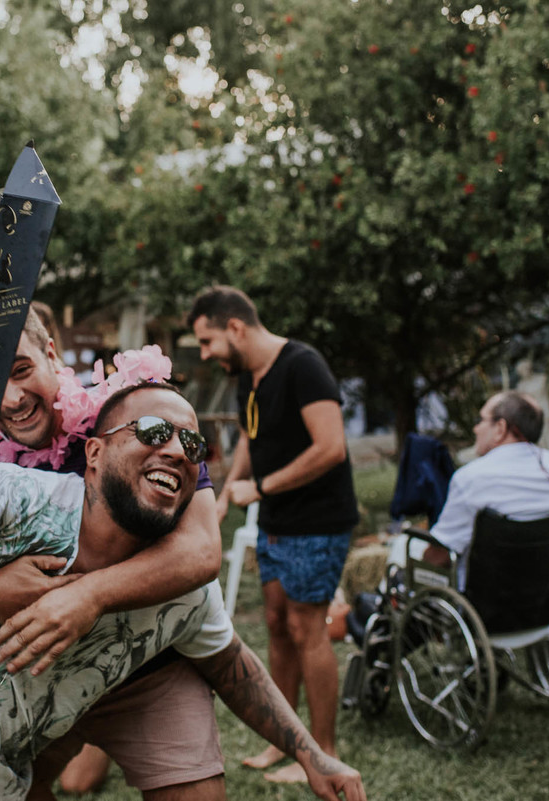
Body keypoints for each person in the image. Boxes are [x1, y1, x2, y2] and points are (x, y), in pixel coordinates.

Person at [0, 379, 364, 801]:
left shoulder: (185, 588)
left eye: (191, 441)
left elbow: (231, 667)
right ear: (94, 456)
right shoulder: (16, 498)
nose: (176, 450)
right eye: (152, 431)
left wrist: (311, 753)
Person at [0, 315, 228, 798]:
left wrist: (88, 598)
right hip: (38, 670)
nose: (10, 398)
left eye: (20, 370)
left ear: (52, 354)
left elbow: (201, 550)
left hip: (144, 664)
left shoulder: (128, 420)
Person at [188, 285, 358, 783]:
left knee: (309, 629)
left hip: (318, 522)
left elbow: (331, 449)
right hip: (277, 522)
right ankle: (283, 743)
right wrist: (224, 494)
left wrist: (259, 488)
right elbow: (249, 434)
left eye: (207, 342)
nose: (205, 354)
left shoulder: (304, 365)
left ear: (235, 328)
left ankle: (323, 753)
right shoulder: (249, 375)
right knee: (278, 627)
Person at [419, 391, 549, 584]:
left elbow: (440, 555)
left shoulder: (472, 477)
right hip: (545, 596)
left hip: (484, 599)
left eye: (481, 420)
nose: (476, 428)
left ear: (500, 428)